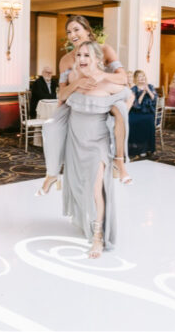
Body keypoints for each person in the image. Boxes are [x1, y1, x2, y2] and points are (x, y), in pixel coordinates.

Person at [57, 41, 130, 258]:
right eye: (79, 54)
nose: (82, 59)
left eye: (87, 55)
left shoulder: (108, 83)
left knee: (96, 189)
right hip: (75, 140)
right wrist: (76, 86)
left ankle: (98, 237)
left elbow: (128, 97)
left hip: (97, 142)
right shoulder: (73, 76)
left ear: (98, 59)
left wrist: (118, 116)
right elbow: (62, 96)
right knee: (80, 186)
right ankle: (84, 219)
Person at [40, 15, 130, 192]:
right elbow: (63, 94)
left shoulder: (105, 50)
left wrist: (102, 75)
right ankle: (52, 173)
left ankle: (119, 162)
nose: (72, 34)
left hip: (103, 100)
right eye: (68, 31)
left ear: (87, 31)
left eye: (76, 30)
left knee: (120, 111)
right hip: (76, 102)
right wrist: (76, 84)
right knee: (50, 128)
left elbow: (123, 78)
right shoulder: (66, 60)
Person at [128, 70, 157, 159]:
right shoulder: (134, 89)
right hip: (136, 112)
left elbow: (154, 99)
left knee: (148, 121)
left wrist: (148, 90)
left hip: (147, 112)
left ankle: (146, 149)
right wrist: (143, 93)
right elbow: (137, 104)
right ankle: (138, 149)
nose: (142, 78)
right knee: (133, 122)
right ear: (136, 78)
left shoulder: (151, 86)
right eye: (140, 76)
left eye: (143, 76)